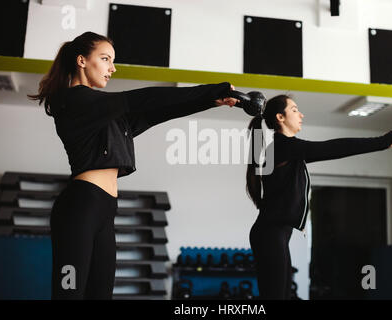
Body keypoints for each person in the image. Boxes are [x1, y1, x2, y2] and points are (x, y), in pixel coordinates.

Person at [27, 31, 238, 299]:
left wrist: (210, 101)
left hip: (105, 207)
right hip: (80, 207)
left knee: (100, 294)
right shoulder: (73, 100)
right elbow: (143, 99)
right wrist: (211, 89)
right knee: (69, 293)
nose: (112, 68)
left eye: (112, 61)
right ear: (81, 60)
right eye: (105, 59)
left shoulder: (104, 113)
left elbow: (157, 113)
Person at [245, 94, 392, 300]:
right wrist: (383, 141)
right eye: (294, 110)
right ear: (280, 117)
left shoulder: (287, 150)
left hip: (275, 234)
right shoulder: (284, 147)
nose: (301, 114)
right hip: (270, 234)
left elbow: (335, 149)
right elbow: (335, 147)